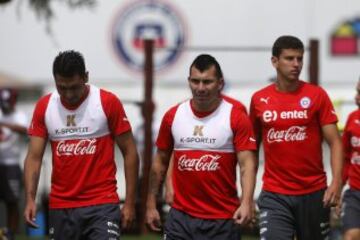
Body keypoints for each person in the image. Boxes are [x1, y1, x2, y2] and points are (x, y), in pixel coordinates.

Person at [23, 50, 139, 239]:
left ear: (86, 77)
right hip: (61, 206)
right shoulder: (45, 107)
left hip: (102, 204)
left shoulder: (106, 102)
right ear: (55, 81)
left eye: (74, 87)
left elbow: (130, 152)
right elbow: (33, 158)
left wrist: (130, 203)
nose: (68, 94)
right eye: (62, 87)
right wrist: (30, 199)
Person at [146, 54, 258, 239]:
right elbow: (160, 163)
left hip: (222, 219)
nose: (200, 88)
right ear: (188, 81)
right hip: (180, 218)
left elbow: (248, 165)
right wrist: (151, 205)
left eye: (207, 82)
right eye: (195, 81)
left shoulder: (236, 117)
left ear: (220, 83)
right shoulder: (173, 116)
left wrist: (246, 203)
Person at [250, 35, 343, 240]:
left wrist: (336, 182)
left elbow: (336, 143)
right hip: (275, 194)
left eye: (300, 59)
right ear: (274, 61)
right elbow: (250, 150)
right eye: (290, 58)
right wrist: (247, 196)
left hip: (314, 192)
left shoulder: (317, 95)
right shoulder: (259, 100)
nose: (296, 64)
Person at [0, 88, 28, 239]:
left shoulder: (20, 115)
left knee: (12, 201)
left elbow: (25, 130)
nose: (5, 106)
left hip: (11, 164)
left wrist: (6, 125)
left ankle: (9, 235)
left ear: (14, 102)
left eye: (8, 103)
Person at [341, 79, 360, 240]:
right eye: (357, 92)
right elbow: (345, 157)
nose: (356, 97)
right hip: (354, 192)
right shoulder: (353, 118)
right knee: (351, 235)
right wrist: (337, 187)